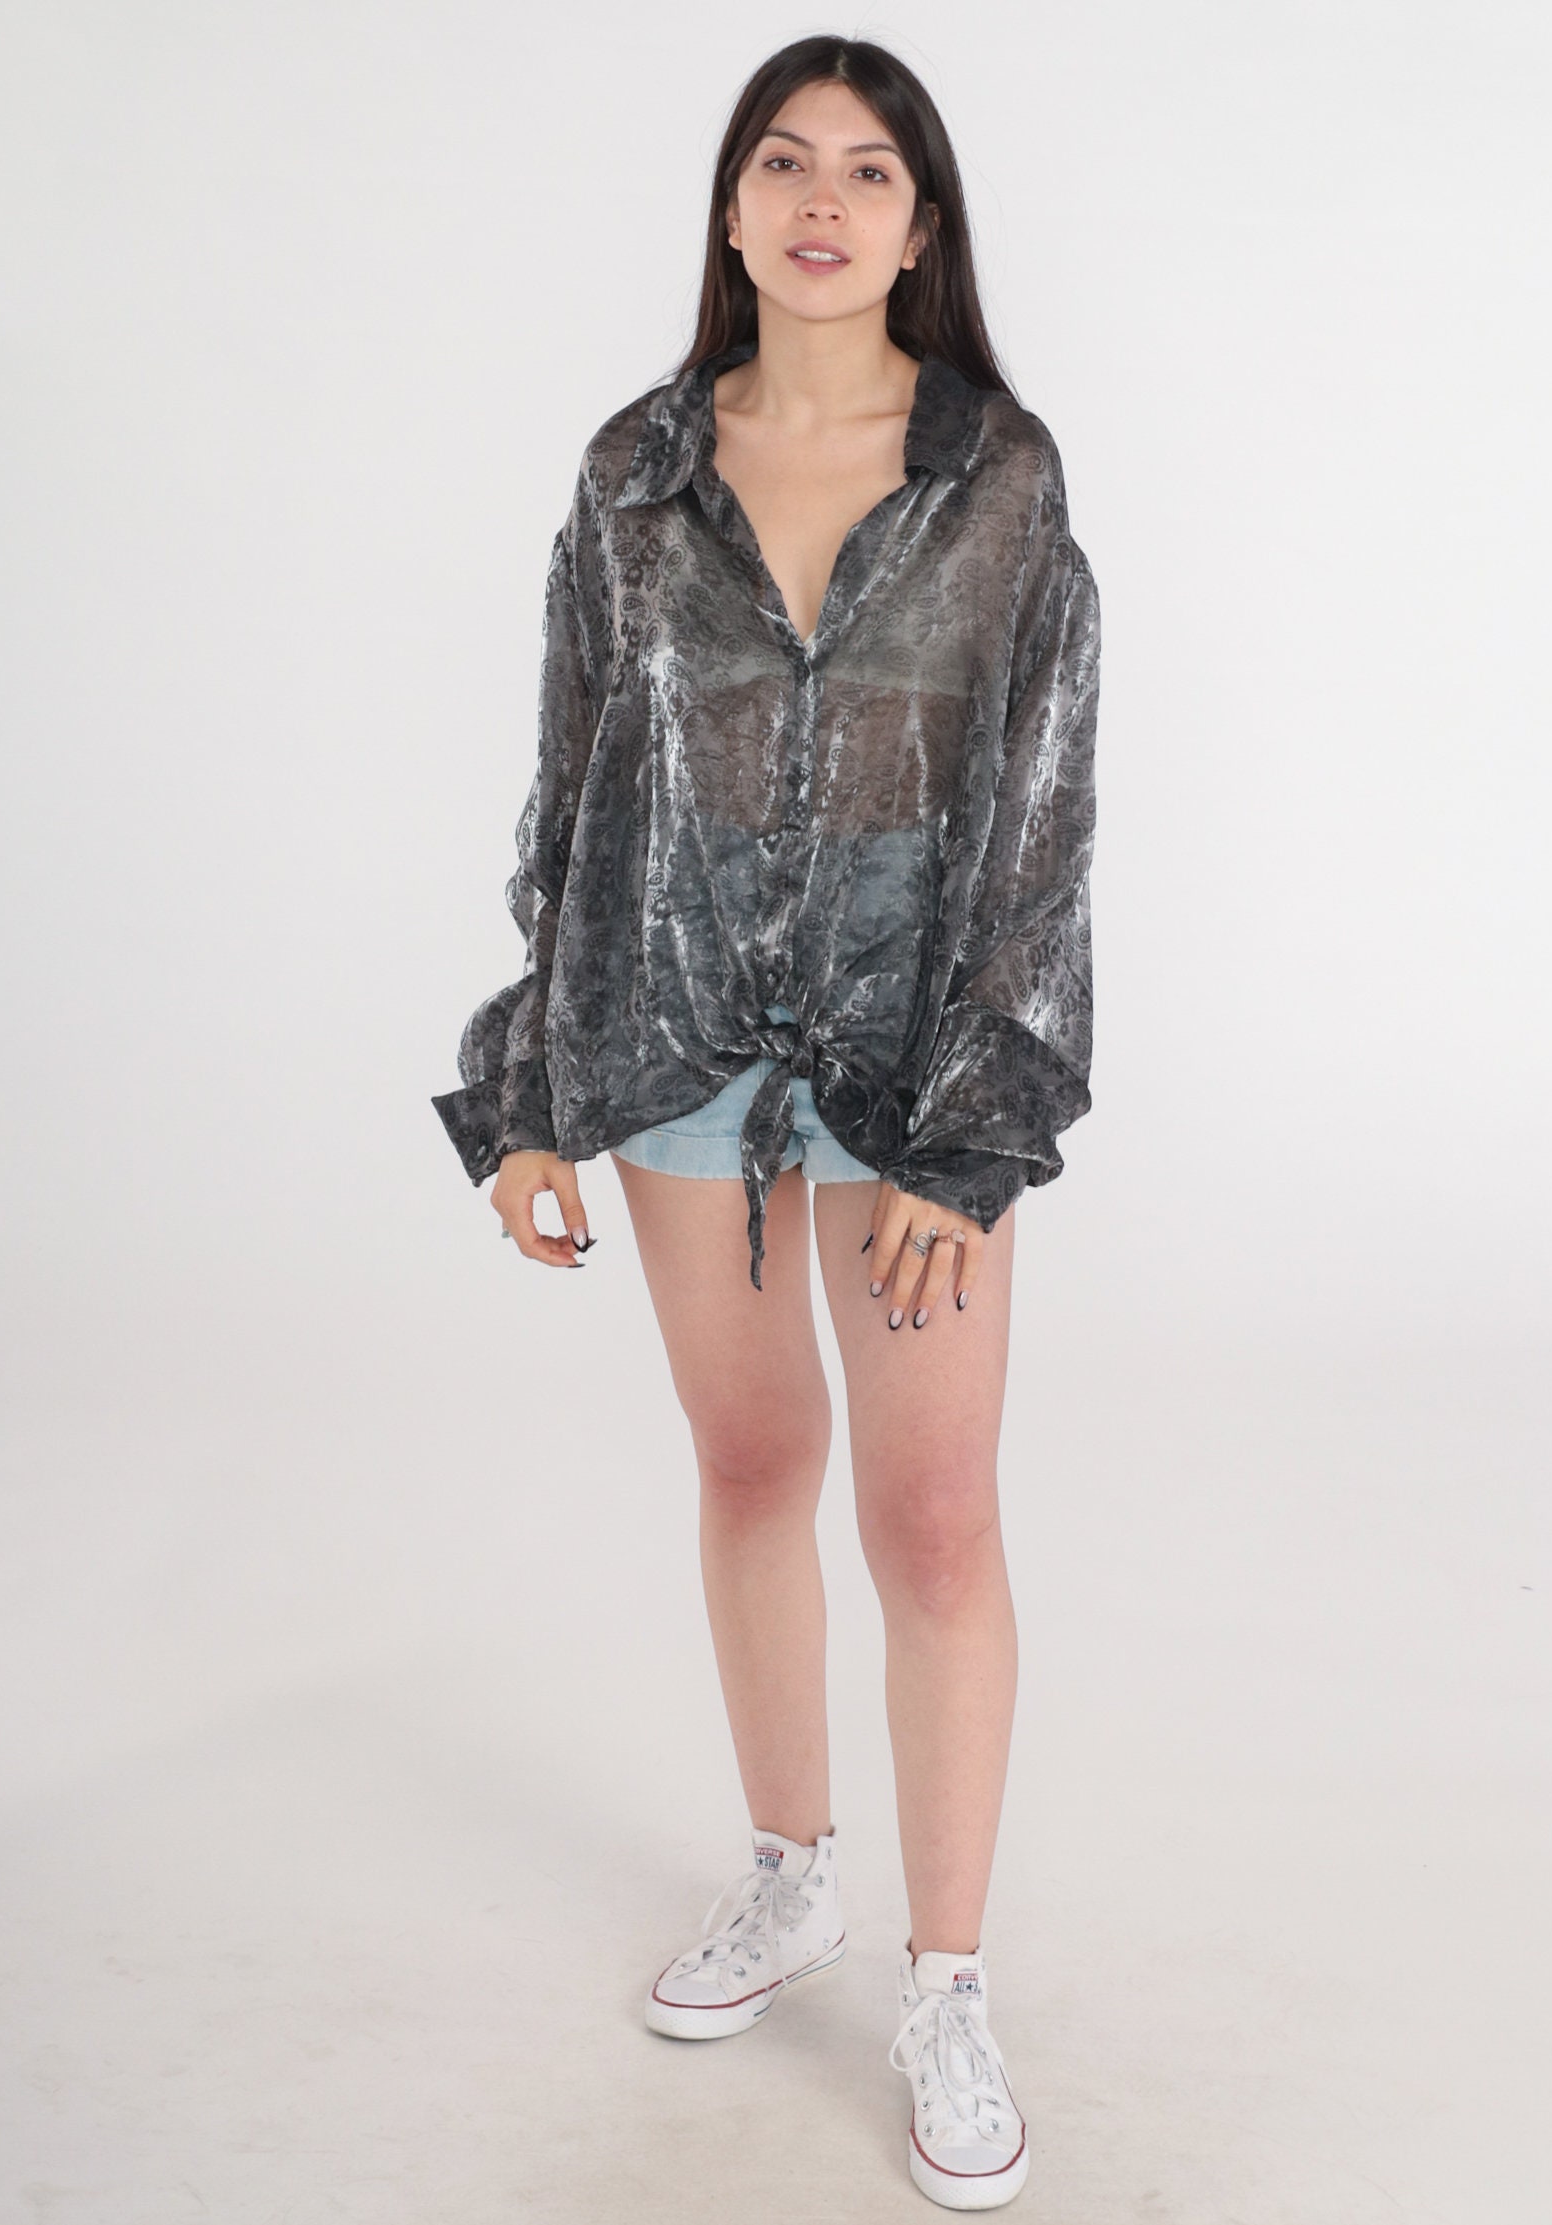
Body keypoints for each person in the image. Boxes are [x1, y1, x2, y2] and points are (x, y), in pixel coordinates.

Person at [430, 33, 1099, 2212]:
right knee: (747, 1463)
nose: (824, 201)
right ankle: (791, 1873)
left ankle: (948, 1982)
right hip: (674, 1034)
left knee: (935, 1519)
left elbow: (1040, 820)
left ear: (921, 225)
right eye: (785, 164)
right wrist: (532, 1091)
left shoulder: (998, 479)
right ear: (730, 210)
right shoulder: (634, 471)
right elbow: (575, 784)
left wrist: (971, 1132)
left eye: (870, 171)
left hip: (917, 1055)